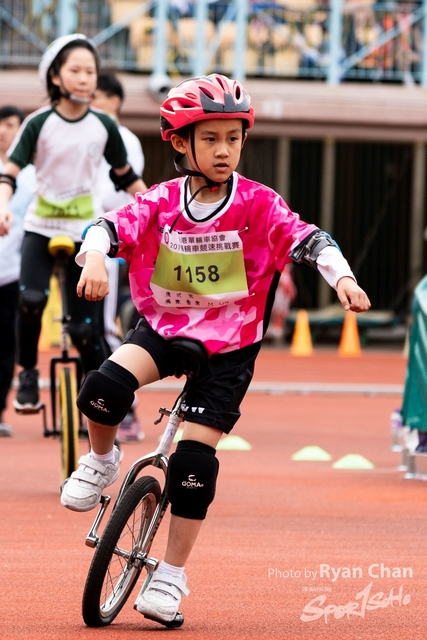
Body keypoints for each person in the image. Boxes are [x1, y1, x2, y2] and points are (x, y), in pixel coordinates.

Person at [60, 74, 371, 625]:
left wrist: (342, 277)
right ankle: (102, 460)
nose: (224, 149)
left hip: (230, 346)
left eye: (233, 138)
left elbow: (311, 239)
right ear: (181, 142)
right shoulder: (161, 201)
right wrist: (94, 257)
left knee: (193, 465)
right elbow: (107, 227)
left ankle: (170, 576)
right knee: (102, 388)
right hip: (165, 329)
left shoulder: (258, 203)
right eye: (210, 139)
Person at [0, 33, 146, 412]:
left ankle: (102, 393)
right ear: (55, 76)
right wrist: (3, 204)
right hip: (40, 227)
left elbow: (126, 177)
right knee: (30, 300)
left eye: (90, 72)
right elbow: (9, 173)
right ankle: (28, 373)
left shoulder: (103, 125)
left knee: (84, 330)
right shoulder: (39, 123)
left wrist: (157, 214)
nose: (84, 79)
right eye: (75, 71)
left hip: (86, 234)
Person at [91, 72, 145, 442]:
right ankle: (92, 405)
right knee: (77, 328)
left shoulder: (124, 139)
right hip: (74, 235)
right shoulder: (82, 133)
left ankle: (126, 409)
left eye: (96, 95)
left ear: (115, 100)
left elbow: (124, 192)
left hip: (108, 238)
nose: (89, 102)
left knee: (103, 327)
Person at [0, 106, 36, 436]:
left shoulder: (31, 176)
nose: (3, 131)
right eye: (0, 125)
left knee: (5, 343)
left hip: (12, 272)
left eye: (10, 125)